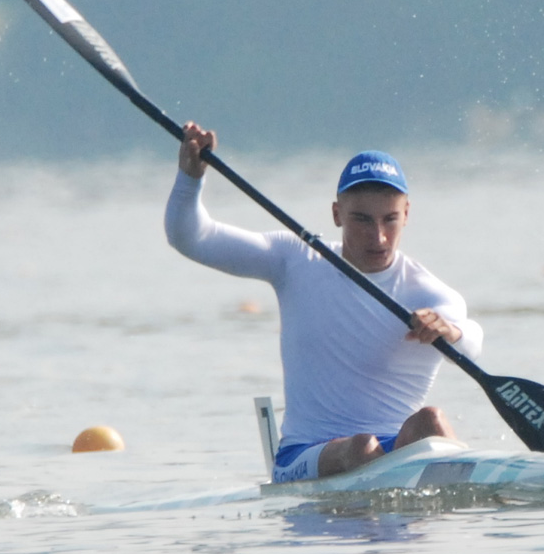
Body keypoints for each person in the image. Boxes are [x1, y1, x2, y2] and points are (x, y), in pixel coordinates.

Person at [165, 123, 482, 482]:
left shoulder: (428, 292)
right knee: (361, 448)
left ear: (406, 214)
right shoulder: (296, 259)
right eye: (361, 220)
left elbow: (471, 344)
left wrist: (452, 332)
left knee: (432, 421)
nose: (378, 237)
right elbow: (192, 237)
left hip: (394, 449)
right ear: (336, 214)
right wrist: (190, 178)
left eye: (389, 219)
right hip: (302, 457)